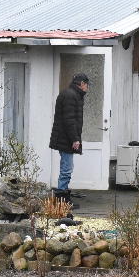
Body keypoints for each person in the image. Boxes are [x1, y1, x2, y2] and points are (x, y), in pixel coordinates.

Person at [49, 73, 89, 205]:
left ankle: (62, 197)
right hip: (65, 139)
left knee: (66, 167)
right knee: (66, 169)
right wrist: (75, 139)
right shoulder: (71, 96)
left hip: (65, 138)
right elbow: (69, 120)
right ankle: (61, 200)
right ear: (82, 83)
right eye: (87, 85)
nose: (87, 88)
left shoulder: (72, 94)